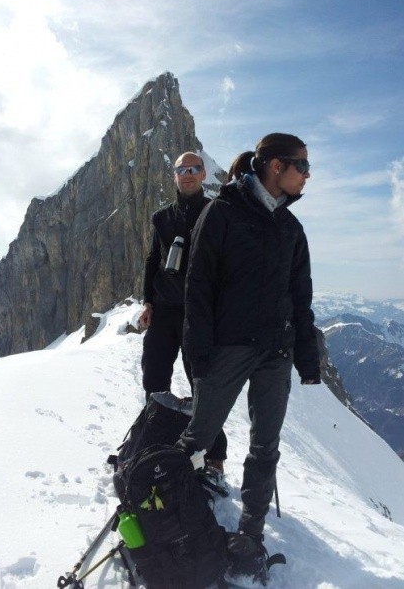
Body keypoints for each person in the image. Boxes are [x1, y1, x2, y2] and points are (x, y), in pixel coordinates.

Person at [176, 133, 321, 577]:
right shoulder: (223, 213)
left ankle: (250, 536)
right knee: (198, 436)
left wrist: (307, 359)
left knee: (265, 448)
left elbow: (300, 298)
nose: (307, 175)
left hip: (275, 351)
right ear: (274, 166)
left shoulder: (292, 229)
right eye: (302, 166)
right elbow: (197, 285)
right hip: (229, 347)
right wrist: (197, 351)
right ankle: (170, 514)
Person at [139, 151, 228, 479]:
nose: (187, 174)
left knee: (203, 386)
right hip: (164, 312)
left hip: (200, 315)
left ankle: (215, 456)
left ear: (204, 174)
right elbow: (152, 260)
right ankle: (154, 439)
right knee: (154, 378)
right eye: (181, 169)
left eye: (194, 168)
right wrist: (148, 302)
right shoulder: (162, 218)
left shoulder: (216, 212)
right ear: (174, 175)